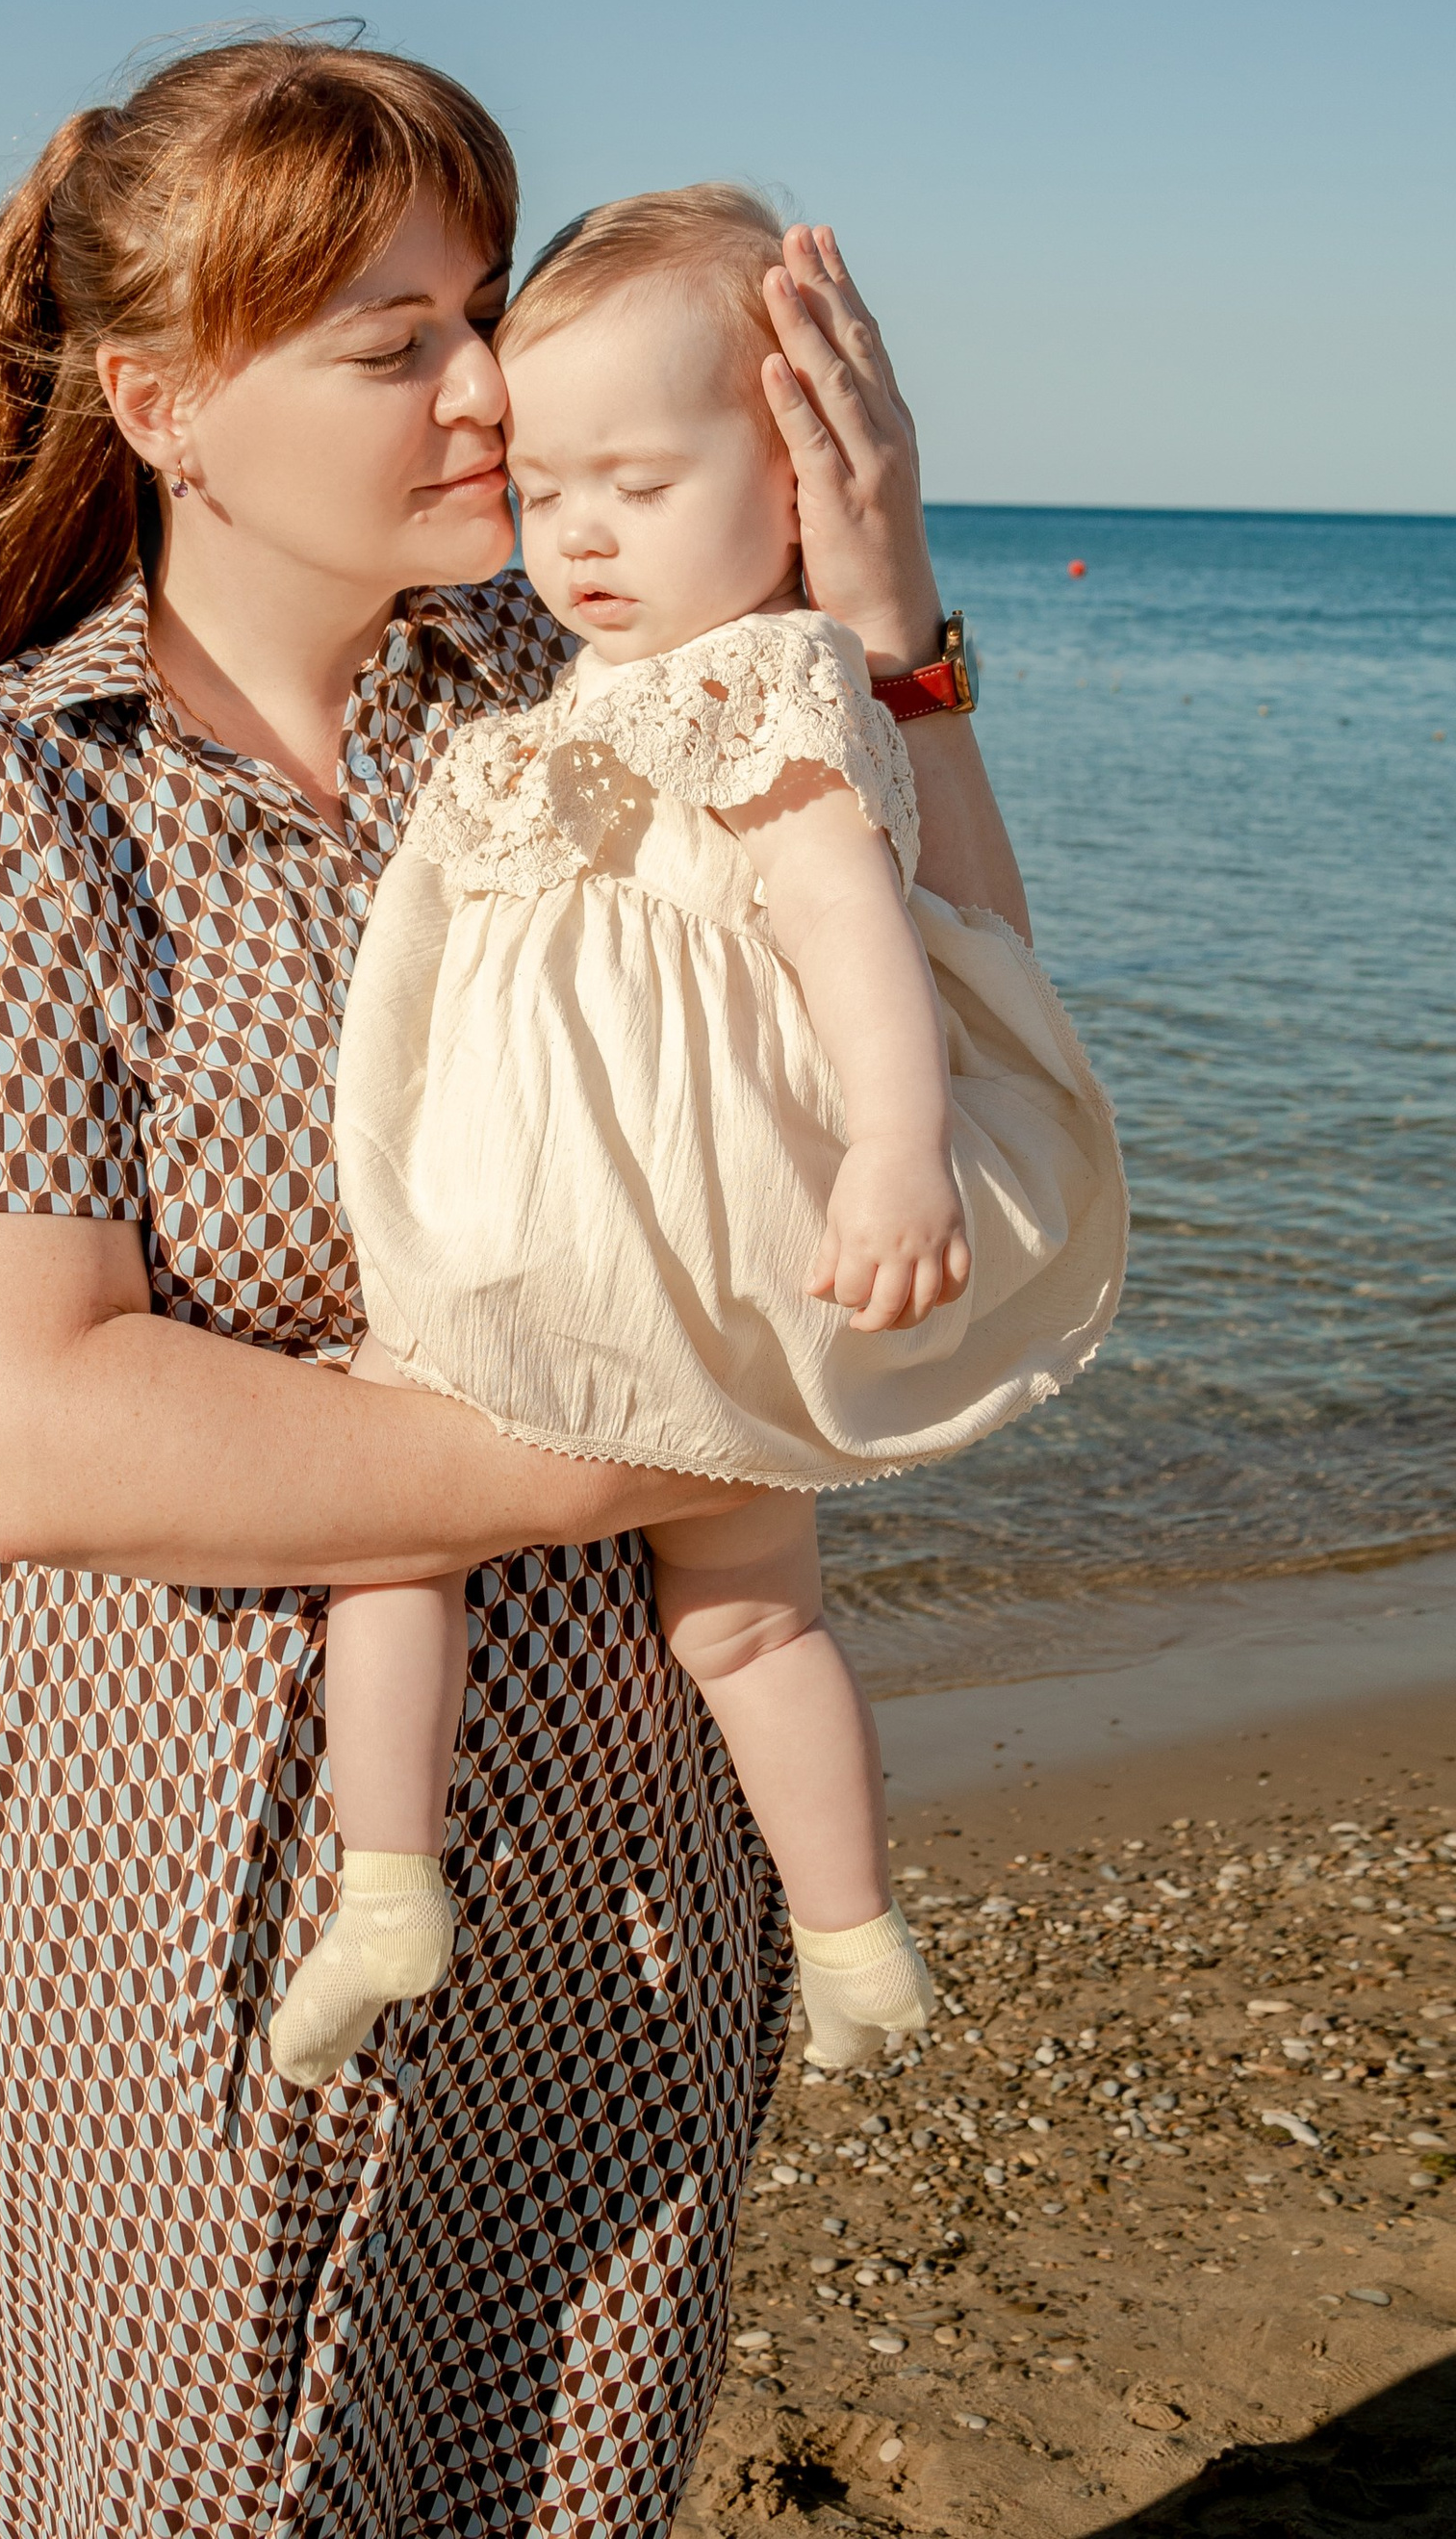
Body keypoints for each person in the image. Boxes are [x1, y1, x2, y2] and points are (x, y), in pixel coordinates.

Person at [0, 35, 1072, 2539]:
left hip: (615, 1867)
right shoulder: (12, 801)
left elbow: (969, 1040)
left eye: (484, 309)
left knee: (527, 2470)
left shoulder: (590, 694)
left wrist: (887, 624)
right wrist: (712, 1435)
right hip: (176, 1856)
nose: (488, 390)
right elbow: (42, 1436)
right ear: (164, 407)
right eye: (395, 339)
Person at [268, 187, 1127, 2092]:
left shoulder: (763, 679)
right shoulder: (591, 677)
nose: (571, 533)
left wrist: (898, 1155)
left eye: (637, 486)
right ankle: (837, 1941)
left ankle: (395, 1881)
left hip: (661, 1229)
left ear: (791, 481)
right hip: (653, 1239)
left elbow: (850, 931)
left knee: (406, 1551)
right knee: (737, 1621)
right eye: (546, 481)